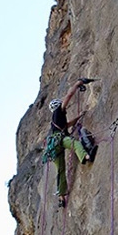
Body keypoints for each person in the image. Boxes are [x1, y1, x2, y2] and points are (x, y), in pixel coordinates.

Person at [42, 79, 96, 207]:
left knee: (61, 170)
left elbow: (67, 125)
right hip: (60, 140)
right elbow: (69, 96)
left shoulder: (55, 121)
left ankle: (61, 197)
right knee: (74, 143)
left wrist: (79, 117)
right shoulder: (58, 111)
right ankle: (87, 156)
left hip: (54, 148)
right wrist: (77, 84)